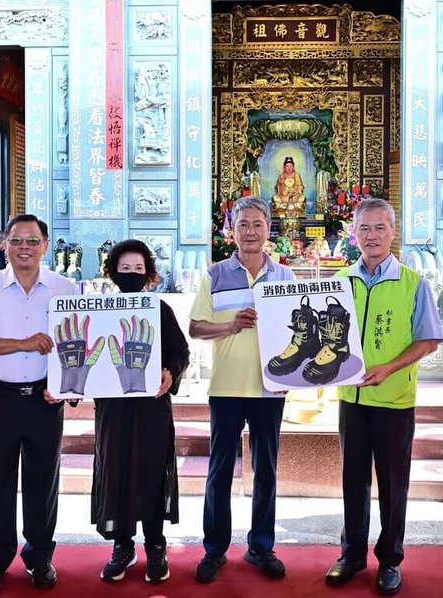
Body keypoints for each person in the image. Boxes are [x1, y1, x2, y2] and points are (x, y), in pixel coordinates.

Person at [324, 198, 443, 596]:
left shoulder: (413, 283)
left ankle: (390, 559)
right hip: (352, 401)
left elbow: (429, 340)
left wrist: (389, 368)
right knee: (352, 480)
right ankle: (352, 554)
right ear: (353, 234)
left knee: (394, 485)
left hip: (393, 401)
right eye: (364, 229)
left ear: (393, 232)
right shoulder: (340, 282)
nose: (371, 236)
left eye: (379, 228)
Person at [0, 214, 76, 595]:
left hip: (45, 400)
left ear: (45, 245)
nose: (25, 247)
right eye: (17, 241)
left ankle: (40, 558)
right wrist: (23, 343)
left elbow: (79, 342)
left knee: (44, 483)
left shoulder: (66, 287)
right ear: (5, 245)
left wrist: (70, 385)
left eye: (32, 240)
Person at [189, 195, 295, 583]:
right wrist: (229, 326)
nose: (250, 231)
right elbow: (196, 327)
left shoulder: (285, 277)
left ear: (269, 229)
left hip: (270, 388)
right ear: (230, 231)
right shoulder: (215, 275)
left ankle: (261, 545)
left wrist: (292, 378)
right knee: (219, 470)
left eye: (257, 224)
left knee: (266, 469)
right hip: (227, 387)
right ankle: (214, 549)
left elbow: (297, 333)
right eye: (242, 225)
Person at [91, 239, 190, 584]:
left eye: (138, 269)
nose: (131, 275)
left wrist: (170, 373)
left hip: (151, 407)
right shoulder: (100, 309)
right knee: (117, 471)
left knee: (150, 472)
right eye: (124, 269)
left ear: (148, 273)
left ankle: (156, 545)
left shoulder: (159, 310)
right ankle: (122, 545)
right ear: (113, 272)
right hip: (113, 410)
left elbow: (180, 351)